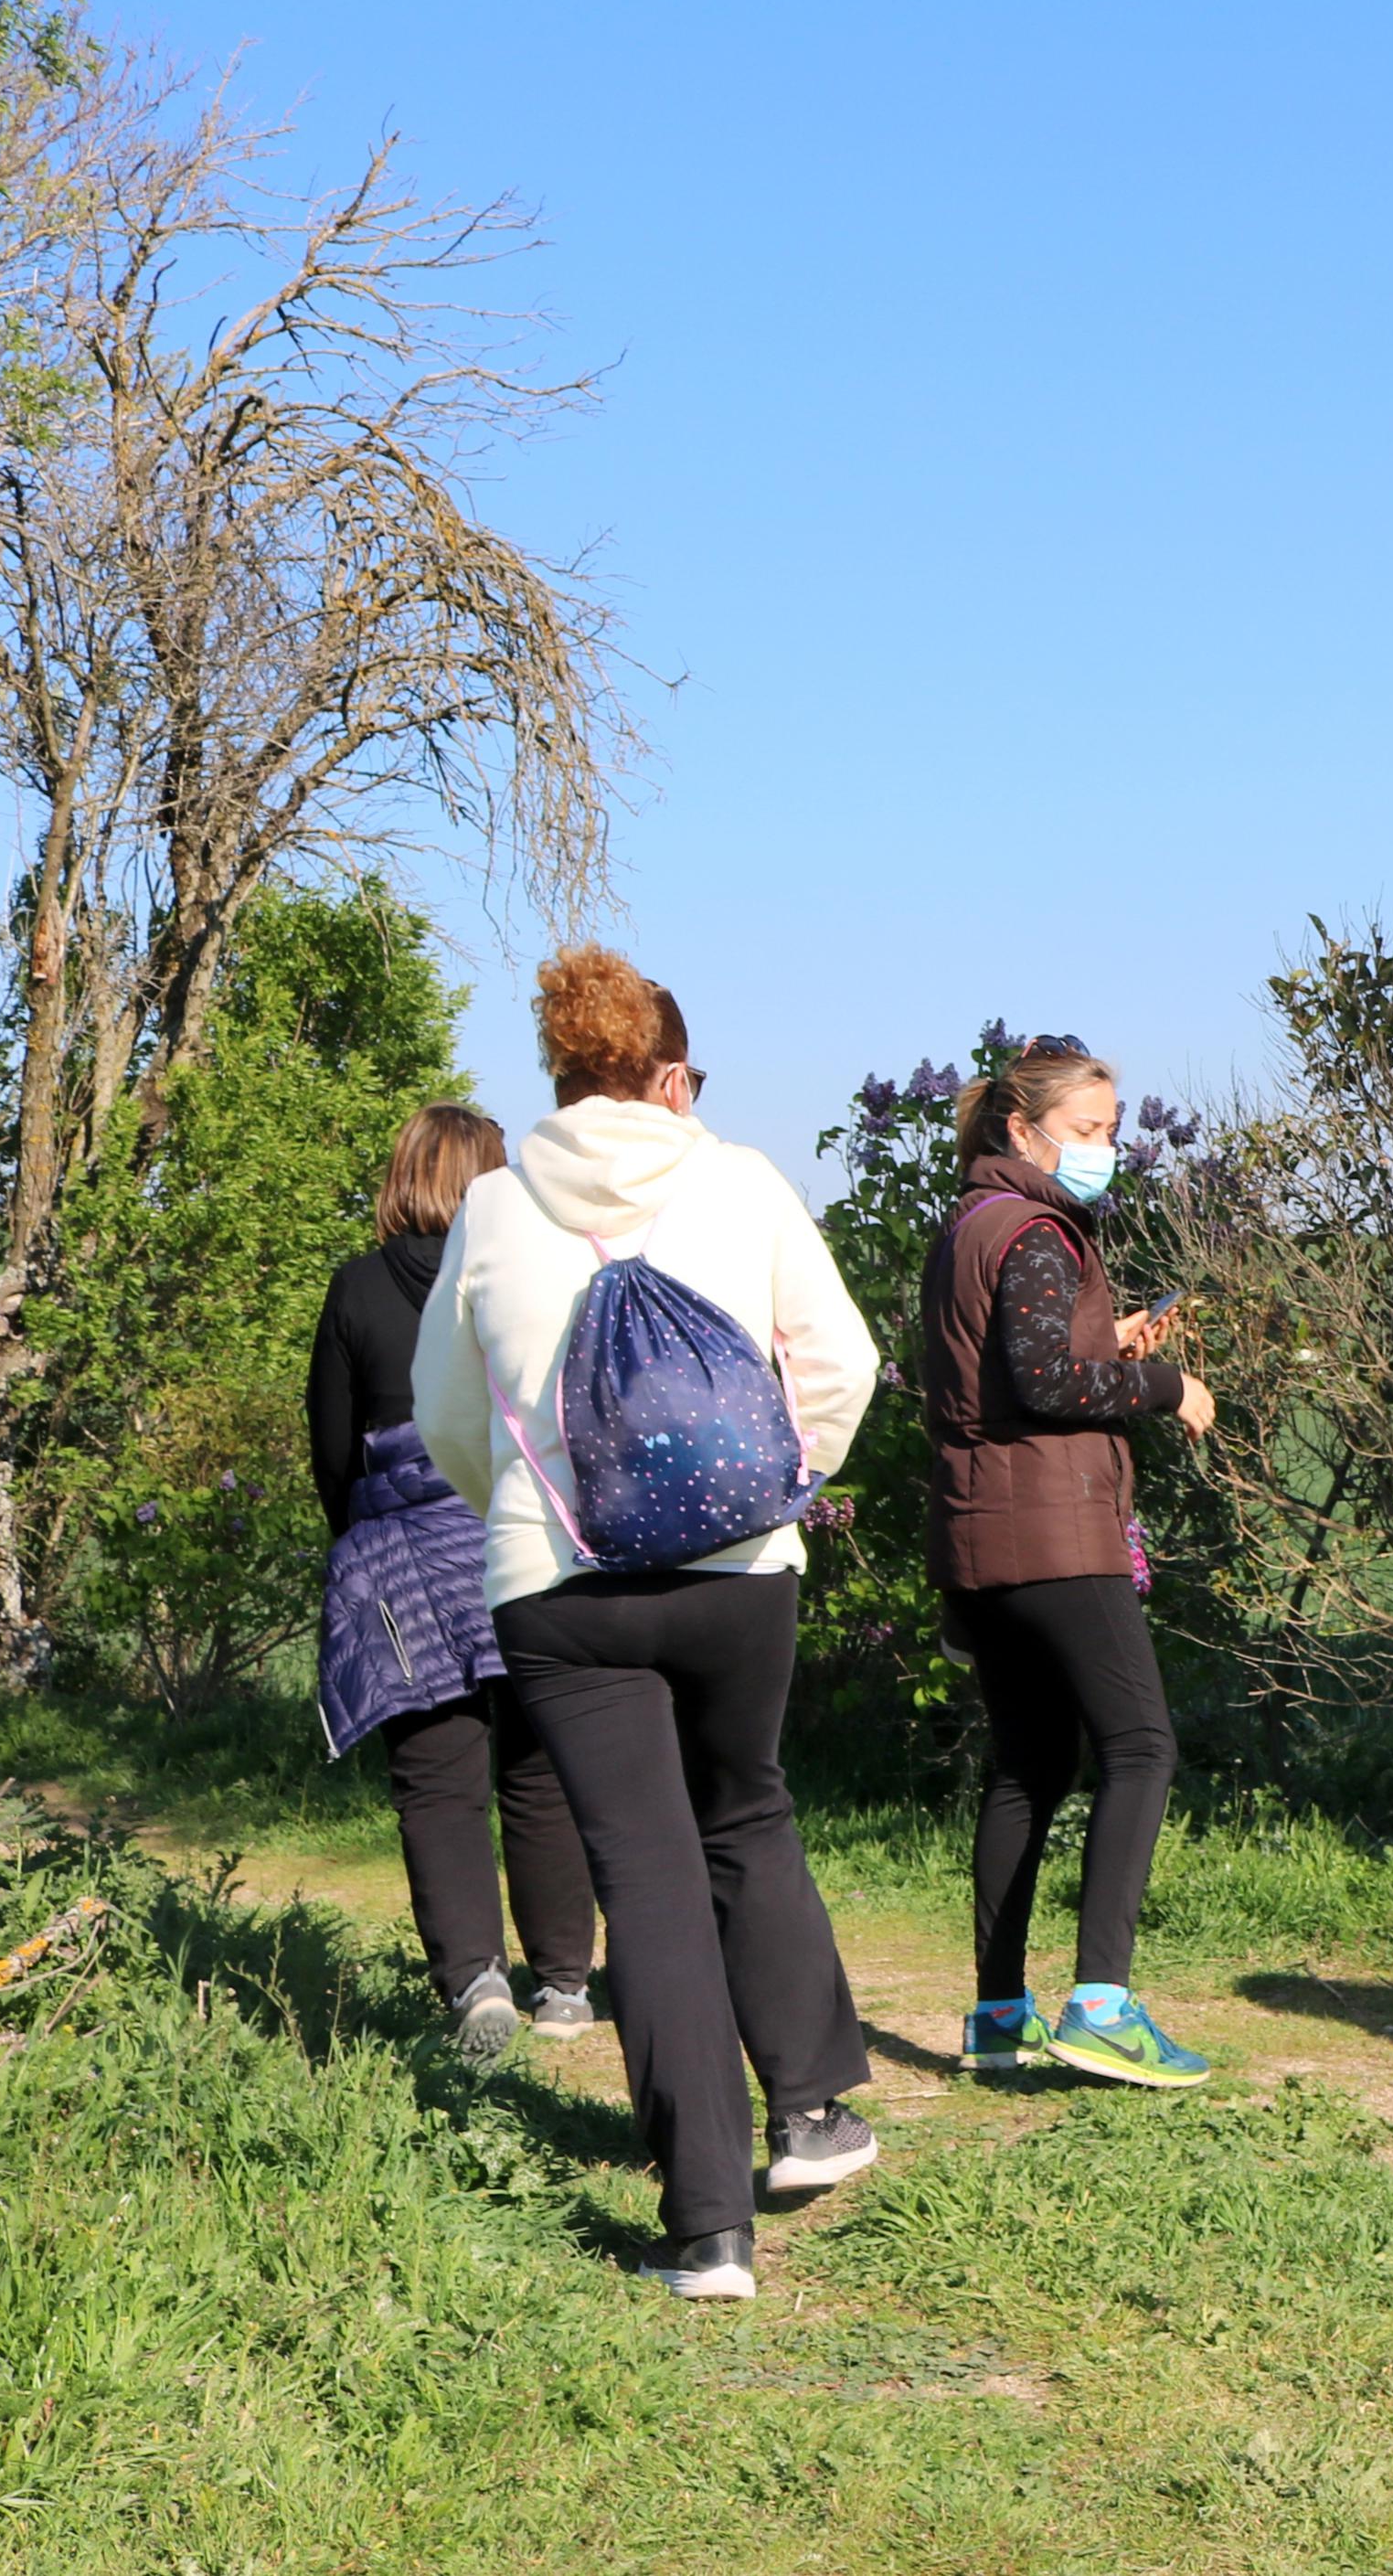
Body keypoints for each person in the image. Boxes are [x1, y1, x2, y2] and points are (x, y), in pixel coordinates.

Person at [415, 946, 882, 2300]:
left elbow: (447, 1411)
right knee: (745, 1809)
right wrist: (781, 1487)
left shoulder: (494, 1209)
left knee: (647, 1876)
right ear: (663, 1071)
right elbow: (839, 1361)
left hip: (561, 1589)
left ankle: (706, 2231)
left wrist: (530, 1517)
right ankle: (808, 2113)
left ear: (557, 1073)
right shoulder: (737, 1179)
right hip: (741, 1571)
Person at [923, 1037, 1219, 2090]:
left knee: (1028, 1768)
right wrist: (1162, 1385)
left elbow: (1009, 1374)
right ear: (1023, 1130)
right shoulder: (1039, 1230)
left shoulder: (970, 1223)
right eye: (1089, 1132)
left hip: (975, 1535)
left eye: (1110, 1130)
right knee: (1139, 1748)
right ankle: (1101, 2004)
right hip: (1051, 1531)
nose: (1105, 1149)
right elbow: (1048, 1386)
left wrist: (1111, 1352)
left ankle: (999, 2013)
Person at [309, 1102, 598, 2060]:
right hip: (519, 1534)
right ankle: (563, 1984)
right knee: (539, 1769)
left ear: (399, 1177)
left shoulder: (354, 1289)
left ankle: (475, 1979)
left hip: (398, 1553)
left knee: (437, 1781)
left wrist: (370, 1542)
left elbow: (330, 1451)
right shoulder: (522, 1271)